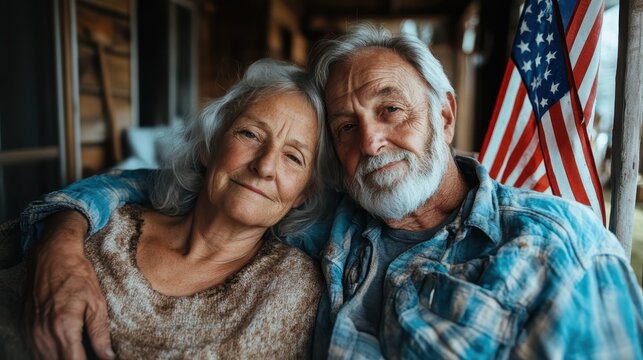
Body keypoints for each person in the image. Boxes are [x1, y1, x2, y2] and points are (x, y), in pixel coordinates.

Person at [19, 24, 643, 359]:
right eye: (346, 126)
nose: (370, 143)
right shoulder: (330, 216)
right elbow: (169, 184)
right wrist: (63, 237)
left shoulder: (557, 246)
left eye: (391, 109)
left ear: (445, 116)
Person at [3, 59, 329, 358]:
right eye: (251, 134)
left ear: (304, 193)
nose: (265, 165)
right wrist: (60, 235)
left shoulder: (290, 287)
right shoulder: (101, 222)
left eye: (293, 157)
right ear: (208, 145)